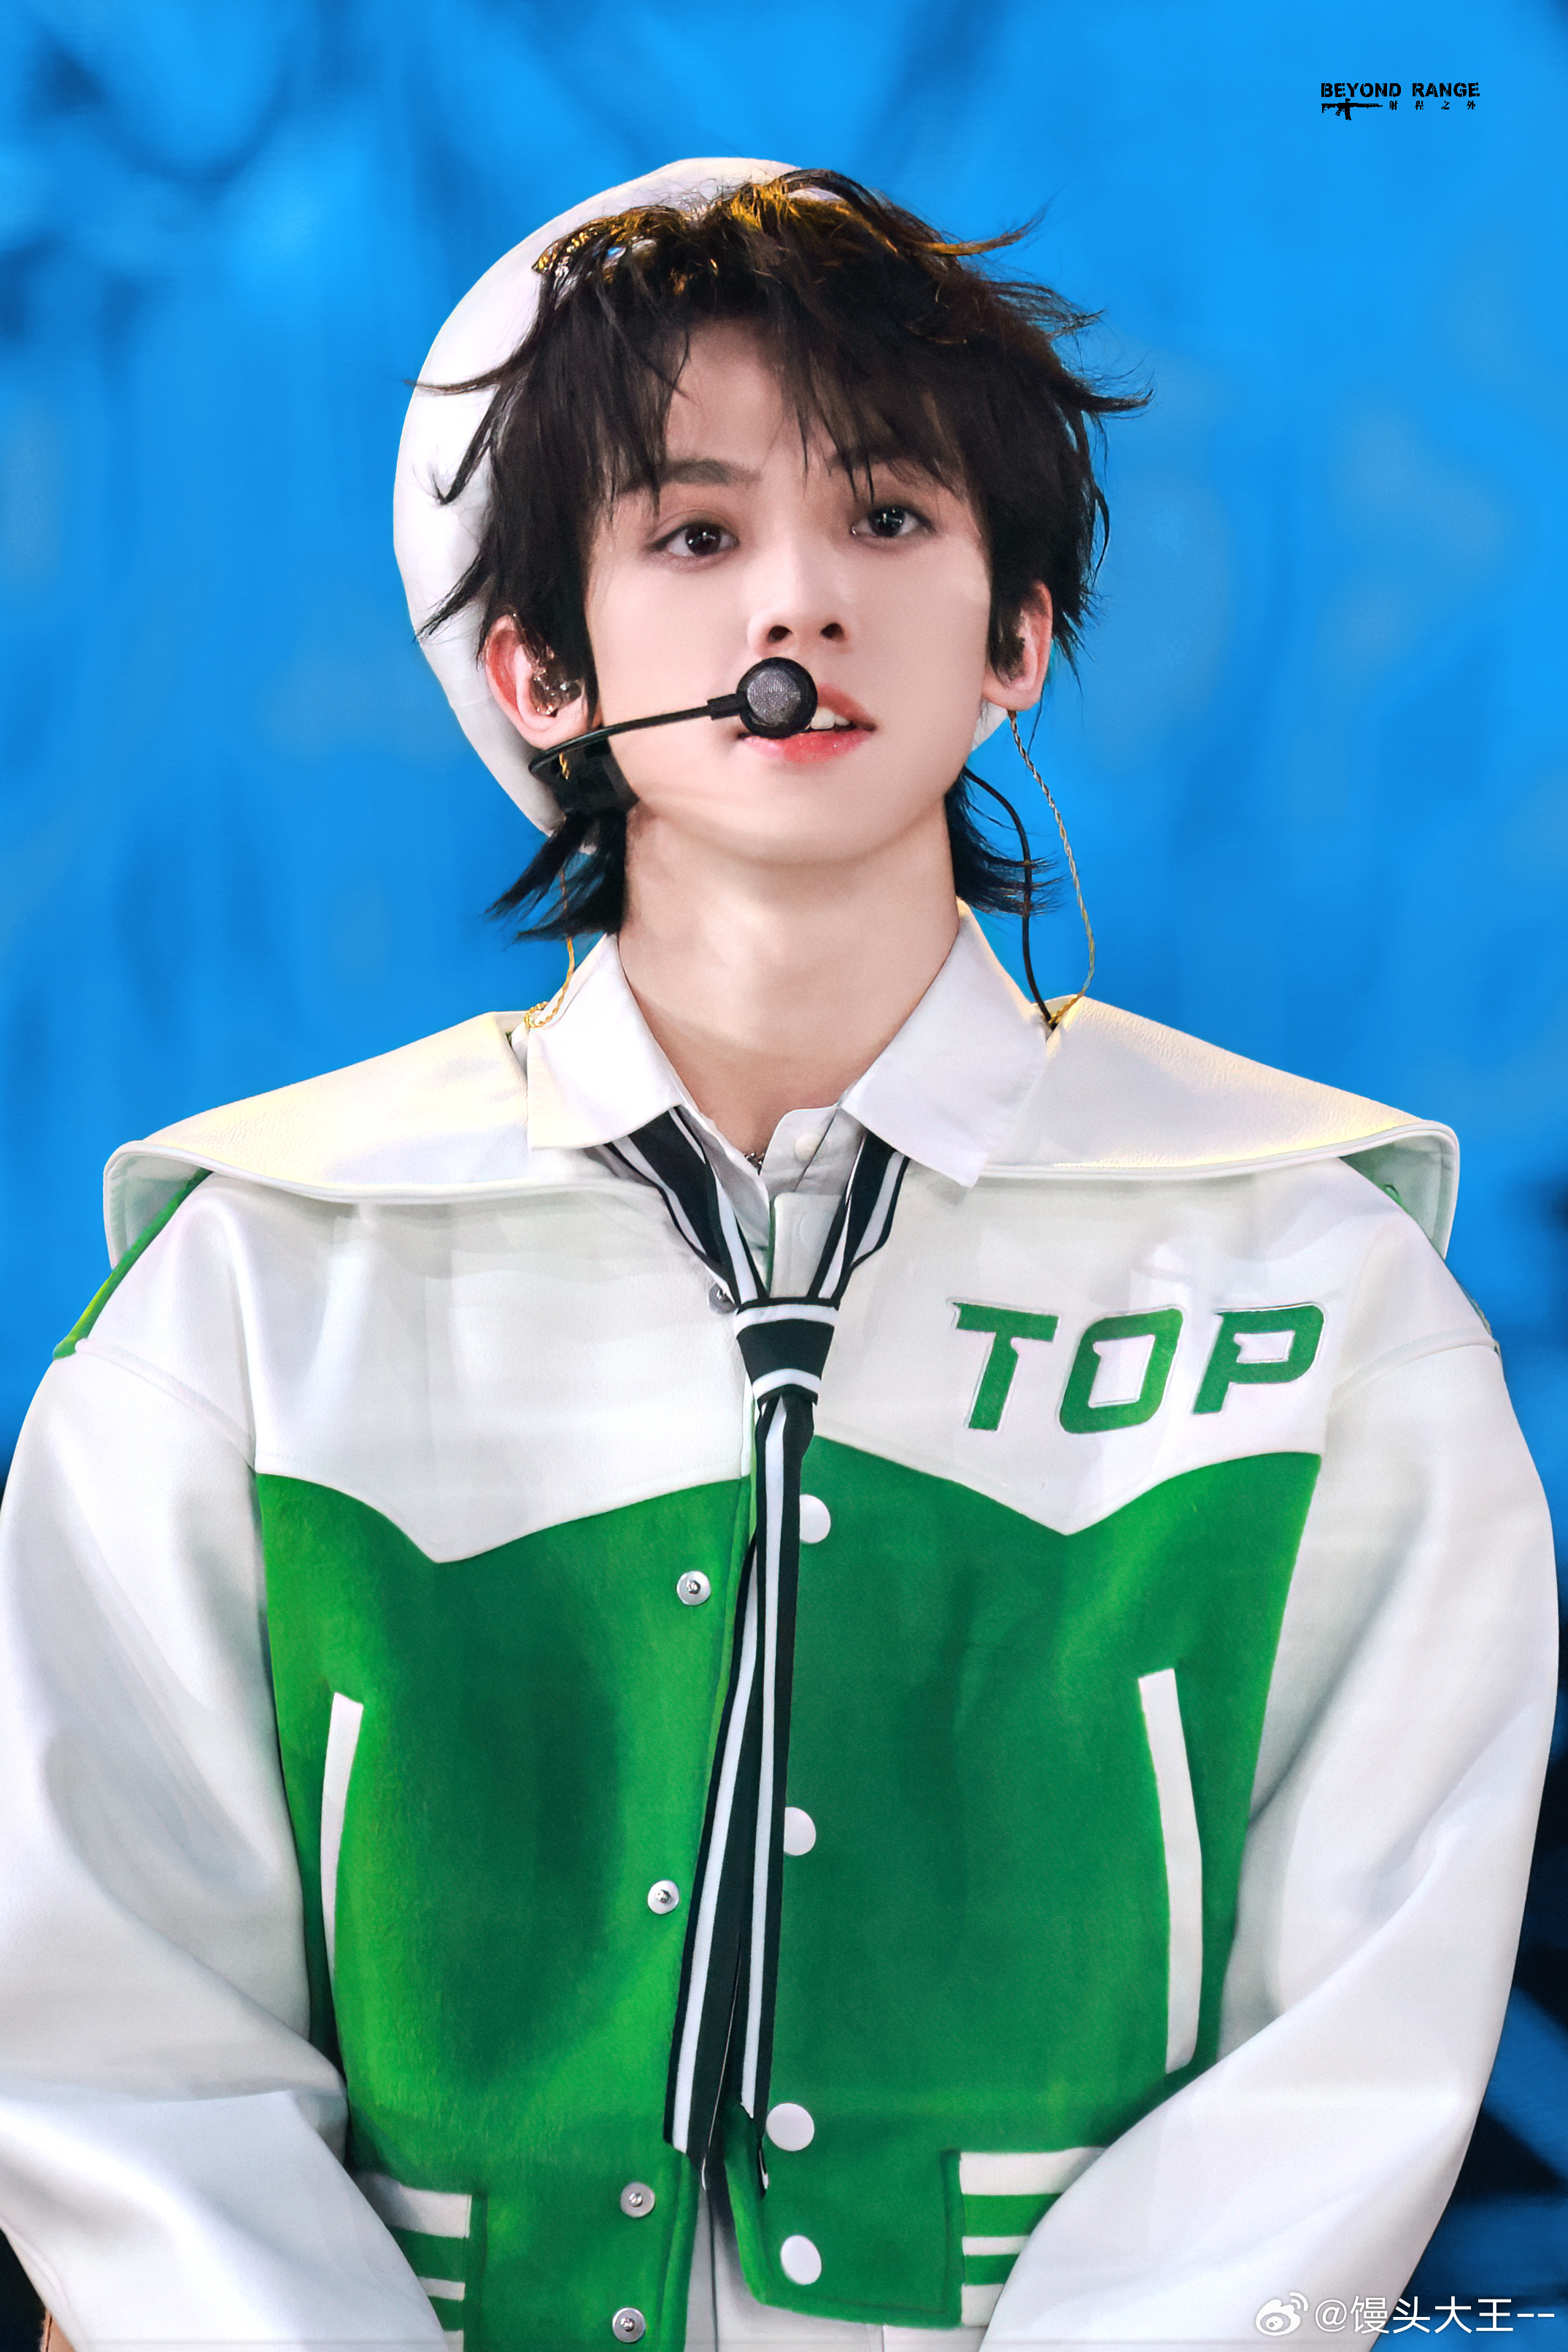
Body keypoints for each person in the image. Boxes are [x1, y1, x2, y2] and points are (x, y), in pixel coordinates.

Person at [0, 159, 1554, 2352]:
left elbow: (1353, 2052)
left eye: (891, 518)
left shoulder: (1322, 1291)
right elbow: (108, 2025)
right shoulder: (250, 1290)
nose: (802, 604)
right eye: (697, 535)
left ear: (1017, 640)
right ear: (541, 668)